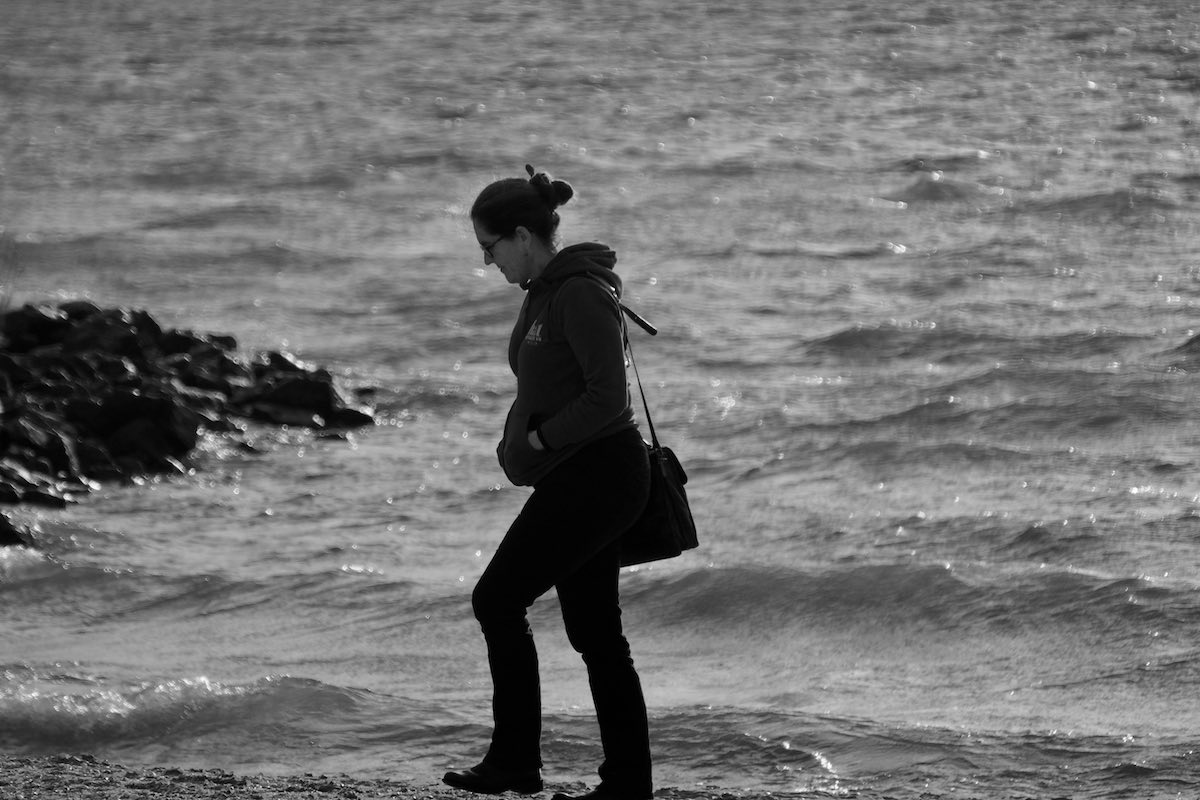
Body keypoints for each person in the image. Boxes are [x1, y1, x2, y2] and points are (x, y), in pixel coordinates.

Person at [442, 166, 653, 800]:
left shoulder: (579, 292)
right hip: (577, 477)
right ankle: (624, 786)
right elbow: (547, 384)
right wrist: (517, 444)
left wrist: (536, 442)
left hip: (603, 475)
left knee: (497, 599)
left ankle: (516, 764)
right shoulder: (542, 291)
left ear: (524, 237)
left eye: (491, 247)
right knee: (594, 632)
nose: (487, 263)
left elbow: (607, 400)